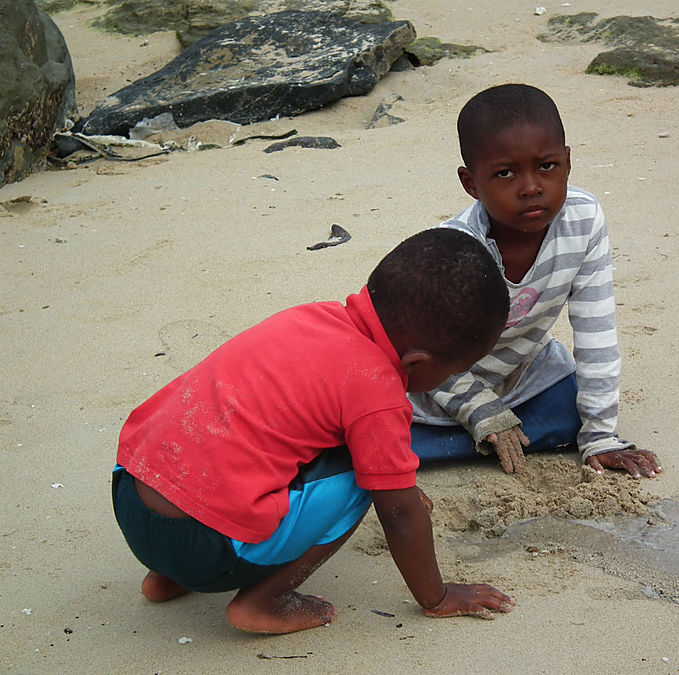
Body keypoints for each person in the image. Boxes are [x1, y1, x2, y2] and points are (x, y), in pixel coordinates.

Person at [112, 228, 515, 635]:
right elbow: (399, 514)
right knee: (366, 482)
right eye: (453, 371)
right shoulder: (378, 392)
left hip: (131, 499)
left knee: (241, 445)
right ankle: (262, 600)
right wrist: (438, 595)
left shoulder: (310, 317)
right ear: (416, 363)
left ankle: (167, 577)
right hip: (205, 548)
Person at [409, 84, 661, 479]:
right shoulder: (456, 248)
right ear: (471, 183)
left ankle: (467, 441)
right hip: (436, 383)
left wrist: (600, 437)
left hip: (517, 373)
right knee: (382, 427)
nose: (531, 187)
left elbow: (597, 335)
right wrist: (482, 409)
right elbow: (424, 356)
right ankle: (453, 438)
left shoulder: (584, 219)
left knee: (571, 407)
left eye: (547, 166)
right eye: (505, 173)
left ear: (568, 162)